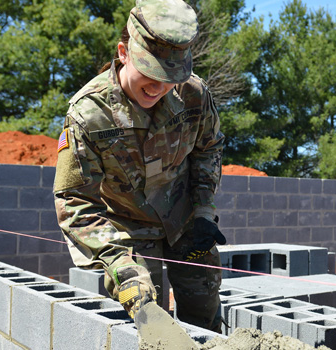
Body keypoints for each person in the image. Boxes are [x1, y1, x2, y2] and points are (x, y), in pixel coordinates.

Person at [52, 0, 226, 332]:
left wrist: (204, 210)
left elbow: (208, 149)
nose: (158, 87)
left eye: (170, 77)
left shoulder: (193, 95)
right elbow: (74, 200)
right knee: (151, 321)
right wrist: (118, 264)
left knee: (205, 317)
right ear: (123, 52)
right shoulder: (89, 113)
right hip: (128, 232)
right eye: (150, 72)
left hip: (185, 221)